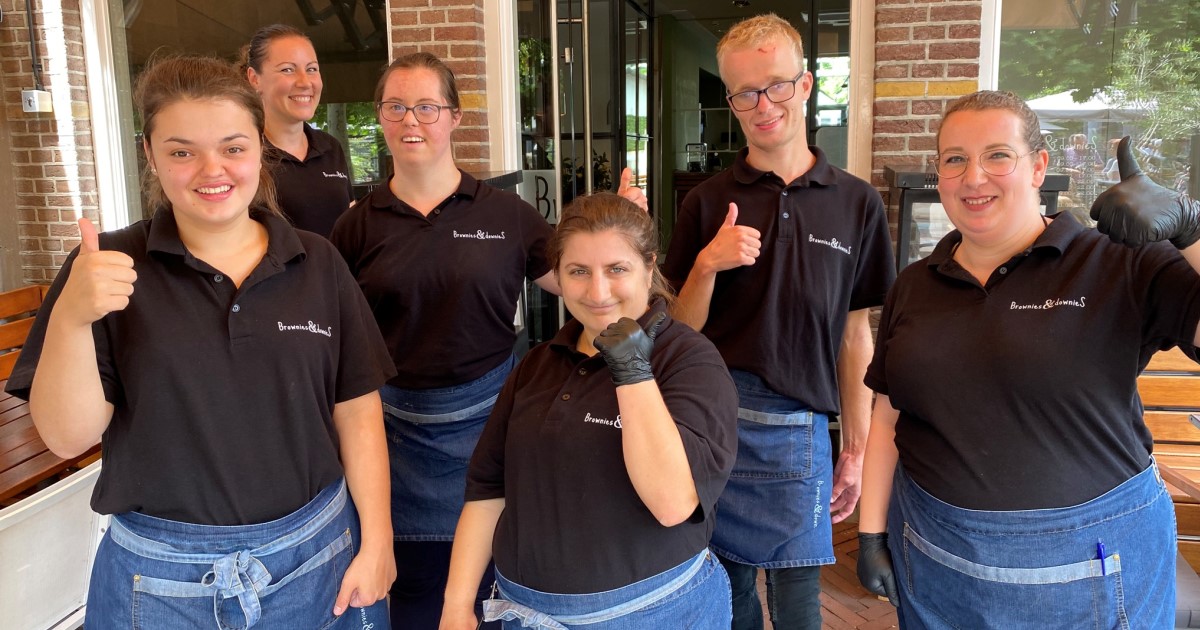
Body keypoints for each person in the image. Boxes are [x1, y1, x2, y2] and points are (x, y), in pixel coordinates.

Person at [5, 55, 396, 628]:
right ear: (150, 154)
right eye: (182, 152)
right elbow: (68, 438)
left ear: (260, 148)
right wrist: (70, 319)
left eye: (233, 147)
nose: (212, 170)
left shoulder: (316, 262)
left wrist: (379, 541)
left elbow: (357, 411)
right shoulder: (105, 267)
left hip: (316, 560)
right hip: (159, 582)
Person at [856, 90, 1200, 628]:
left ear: (1039, 166)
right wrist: (871, 532)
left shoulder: (1118, 263)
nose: (973, 177)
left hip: (1095, 566)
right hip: (936, 557)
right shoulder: (914, 284)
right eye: (955, 159)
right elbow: (888, 415)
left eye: (998, 155)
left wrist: (1191, 232)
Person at [661, 13, 896, 630]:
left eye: (777, 86)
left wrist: (856, 449)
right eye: (744, 93)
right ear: (730, 101)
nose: (763, 106)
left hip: (802, 428)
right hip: (715, 422)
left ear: (807, 84)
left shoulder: (857, 202)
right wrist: (707, 265)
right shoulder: (705, 201)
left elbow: (855, 337)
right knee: (728, 589)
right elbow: (677, 331)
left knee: (798, 597)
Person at [329, 51, 560, 630]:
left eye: (427, 107)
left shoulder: (508, 215)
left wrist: (618, 243)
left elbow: (580, 285)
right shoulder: (356, 225)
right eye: (396, 107)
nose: (411, 120)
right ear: (380, 117)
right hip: (393, 435)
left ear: (455, 117)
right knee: (411, 592)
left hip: (488, 425)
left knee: (492, 591)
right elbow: (333, 335)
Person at [439, 192, 739, 630]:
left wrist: (631, 369)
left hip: (650, 615)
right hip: (525, 614)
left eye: (617, 269)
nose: (598, 292)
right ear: (558, 276)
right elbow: (488, 490)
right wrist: (456, 604)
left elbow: (673, 503)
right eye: (578, 271)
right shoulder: (537, 365)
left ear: (649, 268)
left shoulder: (689, 361)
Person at [243, 24, 353, 237]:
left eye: (311, 69)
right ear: (255, 78)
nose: (305, 82)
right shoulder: (244, 152)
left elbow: (350, 220)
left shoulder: (329, 147)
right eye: (287, 70)